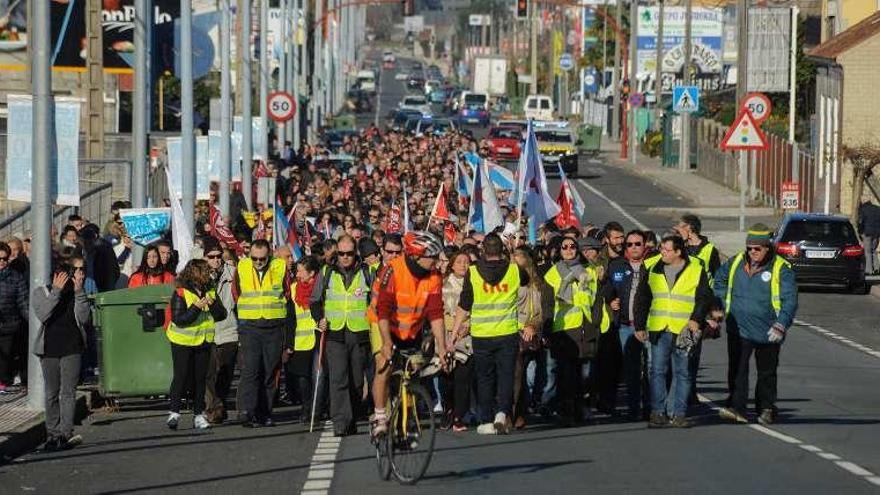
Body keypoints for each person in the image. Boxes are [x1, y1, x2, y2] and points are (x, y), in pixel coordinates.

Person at [715, 224, 798, 425]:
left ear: (768, 248)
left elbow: (790, 300)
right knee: (737, 369)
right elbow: (719, 281)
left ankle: (766, 408)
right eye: (749, 248)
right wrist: (719, 307)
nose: (752, 252)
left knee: (767, 372)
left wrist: (781, 325)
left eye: (757, 249)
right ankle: (737, 407)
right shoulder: (735, 262)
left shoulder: (781, 269)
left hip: (768, 330)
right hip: (739, 328)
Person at [369, 231, 447, 437]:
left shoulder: (434, 276)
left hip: (411, 328)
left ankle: (407, 418)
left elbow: (436, 312)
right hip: (384, 324)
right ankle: (379, 416)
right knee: (384, 365)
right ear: (416, 256)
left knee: (411, 372)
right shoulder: (392, 271)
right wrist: (386, 342)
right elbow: (382, 310)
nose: (437, 261)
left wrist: (442, 345)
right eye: (433, 257)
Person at [634, 235, 713, 428]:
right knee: (657, 371)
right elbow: (642, 298)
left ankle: (678, 413)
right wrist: (639, 325)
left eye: (667, 250)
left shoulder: (696, 270)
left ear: (678, 252)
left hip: (683, 330)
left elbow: (704, 297)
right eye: (661, 249)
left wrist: (696, 319)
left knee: (683, 373)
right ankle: (658, 412)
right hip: (659, 329)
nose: (662, 253)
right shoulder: (653, 268)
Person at [452, 233, 529, 435]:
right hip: (507, 332)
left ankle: (486, 419)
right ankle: (503, 412)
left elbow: (464, 303)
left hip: (482, 334)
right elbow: (526, 279)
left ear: (483, 250)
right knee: (506, 375)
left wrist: (454, 332)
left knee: (484, 377)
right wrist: (511, 258)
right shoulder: (513, 270)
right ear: (501, 250)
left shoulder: (474, 272)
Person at [311, 234, 374, 436]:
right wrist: (318, 318)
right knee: (338, 379)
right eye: (341, 253)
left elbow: (376, 300)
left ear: (355, 253)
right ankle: (340, 422)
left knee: (356, 381)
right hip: (335, 333)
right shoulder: (327, 272)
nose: (345, 257)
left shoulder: (367, 272)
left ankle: (353, 417)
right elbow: (314, 300)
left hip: (359, 334)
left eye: (349, 253)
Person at [32, 253, 91, 450]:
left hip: (72, 347)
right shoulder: (41, 292)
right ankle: (52, 433)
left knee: (68, 392)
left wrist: (79, 292)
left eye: (80, 271)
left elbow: (83, 318)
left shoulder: (76, 293)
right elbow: (43, 314)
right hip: (49, 349)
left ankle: (66, 433)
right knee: (51, 393)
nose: (77, 275)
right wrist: (56, 291)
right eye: (73, 272)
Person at [234, 239, 293, 428]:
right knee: (251, 370)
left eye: (262, 259)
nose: (258, 262)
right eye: (254, 258)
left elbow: (287, 293)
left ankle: (265, 413)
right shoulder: (242, 267)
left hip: (273, 326)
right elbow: (236, 292)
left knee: (269, 371)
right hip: (250, 327)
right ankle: (248, 412)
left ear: (269, 255)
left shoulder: (280, 267)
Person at [544, 236, 600, 426]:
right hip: (563, 330)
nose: (569, 250)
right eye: (564, 247)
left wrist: (596, 323)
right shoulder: (553, 273)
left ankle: (580, 409)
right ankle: (566, 411)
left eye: (572, 247)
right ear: (559, 250)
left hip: (585, 326)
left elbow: (596, 299)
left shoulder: (590, 270)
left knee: (582, 374)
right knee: (566, 373)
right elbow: (548, 304)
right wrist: (547, 330)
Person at [165, 259, 226, 430]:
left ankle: (198, 414)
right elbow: (179, 319)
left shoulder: (210, 290)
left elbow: (221, 315)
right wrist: (197, 307)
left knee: (201, 379)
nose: (209, 274)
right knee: (181, 376)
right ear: (195, 274)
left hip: (203, 341)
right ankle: (174, 412)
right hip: (182, 341)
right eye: (205, 271)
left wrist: (213, 305)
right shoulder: (181, 292)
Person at [607, 230, 650, 421]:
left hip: (649, 326)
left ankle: (651, 407)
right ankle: (633, 408)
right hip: (625, 326)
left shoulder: (653, 267)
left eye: (637, 244)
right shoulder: (616, 266)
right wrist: (611, 300)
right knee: (631, 369)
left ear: (645, 246)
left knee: (651, 369)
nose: (633, 248)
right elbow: (607, 289)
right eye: (629, 244)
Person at [203, 239, 239, 425]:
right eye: (212, 257)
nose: (216, 260)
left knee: (225, 373)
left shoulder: (233, 274)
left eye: (219, 256)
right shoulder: (198, 277)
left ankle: (220, 403)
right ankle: (213, 408)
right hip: (206, 332)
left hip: (229, 330)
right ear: (205, 257)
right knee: (209, 375)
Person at [286, 256, 324, 423]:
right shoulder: (294, 288)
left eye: (301, 271)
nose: (297, 274)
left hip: (318, 337)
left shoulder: (322, 287)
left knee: (319, 377)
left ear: (312, 273)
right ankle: (306, 407)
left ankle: (318, 409)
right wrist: (288, 343)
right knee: (302, 378)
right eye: (297, 270)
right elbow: (290, 318)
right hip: (300, 340)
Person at [440, 249, 472, 432]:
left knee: (463, 376)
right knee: (446, 374)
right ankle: (448, 408)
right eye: (459, 262)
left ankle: (460, 415)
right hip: (445, 332)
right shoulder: (443, 285)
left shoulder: (474, 284)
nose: (463, 265)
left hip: (466, 334)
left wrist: (468, 325)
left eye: (466, 262)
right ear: (452, 264)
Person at [512, 247, 544, 430]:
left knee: (526, 375)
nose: (515, 258)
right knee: (516, 375)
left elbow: (540, 308)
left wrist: (534, 325)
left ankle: (523, 410)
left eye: (518, 255)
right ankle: (513, 413)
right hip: (515, 331)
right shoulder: (511, 279)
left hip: (533, 332)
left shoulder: (537, 282)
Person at [0, 242, 29, 393]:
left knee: (6, 358)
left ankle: (3, 383)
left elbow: (23, 302)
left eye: (4, 259)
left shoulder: (16, 277)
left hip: (9, 324)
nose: (2, 262)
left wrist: (33, 321)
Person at [857, 200, 880, 274]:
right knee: (874, 251)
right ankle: (877, 268)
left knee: (867, 252)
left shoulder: (863, 209)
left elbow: (860, 222)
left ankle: (868, 270)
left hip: (867, 233)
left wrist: (860, 232)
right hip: (876, 233)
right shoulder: (878, 208)